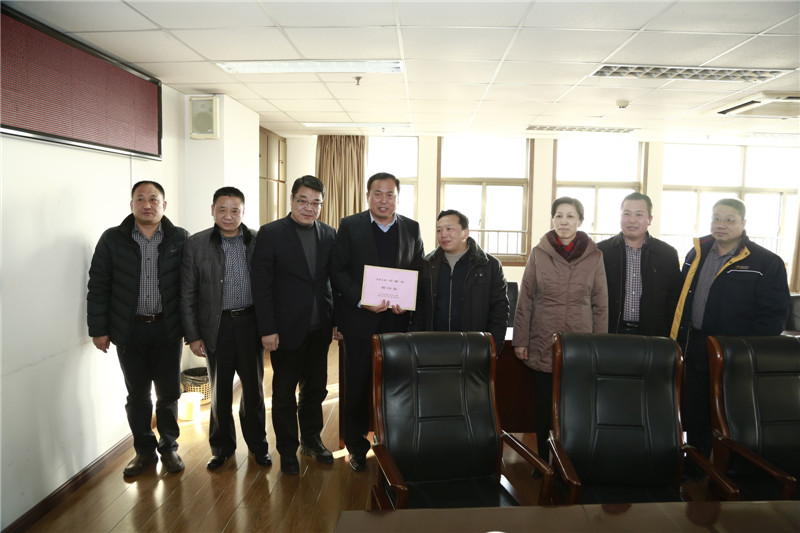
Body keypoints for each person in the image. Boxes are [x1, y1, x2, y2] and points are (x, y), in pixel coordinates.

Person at [671, 198, 790, 459]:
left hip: (735, 353)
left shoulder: (765, 262)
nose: (721, 224)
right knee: (695, 408)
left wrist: (750, 353)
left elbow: (774, 316)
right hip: (696, 345)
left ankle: (732, 466)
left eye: (729, 220)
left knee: (731, 413)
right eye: (716, 218)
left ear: (743, 223)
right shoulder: (696, 253)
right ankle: (697, 462)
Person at [87, 181, 188, 476]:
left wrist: (193, 331)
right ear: (131, 204)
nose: (147, 205)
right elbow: (98, 285)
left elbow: (191, 286)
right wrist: (99, 329)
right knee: (138, 396)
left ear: (164, 205)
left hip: (167, 329)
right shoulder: (112, 239)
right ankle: (144, 451)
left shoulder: (180, 238)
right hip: (129, 331)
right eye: (140, 199)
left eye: (153, 199)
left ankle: (169, 447)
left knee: (169, 394)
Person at [330, 172, 424, 472]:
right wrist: (361, 299)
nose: (384, 200)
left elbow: (418, 271)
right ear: (368, 196)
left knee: (395, 389)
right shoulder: (350, 225)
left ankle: (393, 445)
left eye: (390, 194)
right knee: (357, 387)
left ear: (398, 197)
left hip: (397, 325)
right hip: (360, 322)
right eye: (378, 194)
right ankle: (357, 448)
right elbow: (338, 270)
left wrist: (407, 303)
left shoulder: (411, 228)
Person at [180, 186, 271, 471]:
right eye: (222, 209)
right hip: (216, 326)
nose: (228, 216)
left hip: (250, 324)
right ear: (212, 210)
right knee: (219, 392)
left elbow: (270, 286)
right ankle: (221, 449)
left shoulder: (258, 241)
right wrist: (193, 335)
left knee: (254, 390)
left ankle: (258, 446)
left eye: (235, 210)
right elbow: (187, 293)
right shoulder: (196, 244)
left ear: (243, 212)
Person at [251, 175, 337, 475]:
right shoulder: (271, 233)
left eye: (316, 203)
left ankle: (311, 440)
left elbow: (333, 282)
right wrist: (267, 329)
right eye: (303, 201)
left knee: (316, 389)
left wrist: (336, 321)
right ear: (292, 200)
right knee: (284, 393)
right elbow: (261, 286)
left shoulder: (329, 234)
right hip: (284, 330)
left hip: (319, 328)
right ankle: (287, 449)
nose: (309, 208)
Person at [512, 197, 608, 460]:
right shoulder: (538, 253)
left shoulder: (595, 256)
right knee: (543, 405)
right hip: (543, 336)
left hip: (581, 339)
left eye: (570, 216)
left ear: (580, 221)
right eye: (559, 216)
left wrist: (600, 345)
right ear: (552, 219)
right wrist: (521, 339)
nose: (564, 221)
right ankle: (544, 460)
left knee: (575, 407)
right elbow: (525, 298)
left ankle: (571, 460)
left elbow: (601, 304)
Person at [411, 209, 509, 346]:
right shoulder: (427, 264)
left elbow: (500, 310)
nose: (443, 234)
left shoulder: (489, 265)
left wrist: (493, 347)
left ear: (466, 233)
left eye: (449, 229)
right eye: (439, 230)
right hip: (433, 346)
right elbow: (419, 310)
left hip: (474, 347)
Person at [597, 192, 682, 336]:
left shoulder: (667, 254)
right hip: (611, 333)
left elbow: (674, 299)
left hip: (653, 335)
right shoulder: (601, 252)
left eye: (639, 214)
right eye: (627, 214)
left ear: (650, 219)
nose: (632, 220)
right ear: (620, 217)